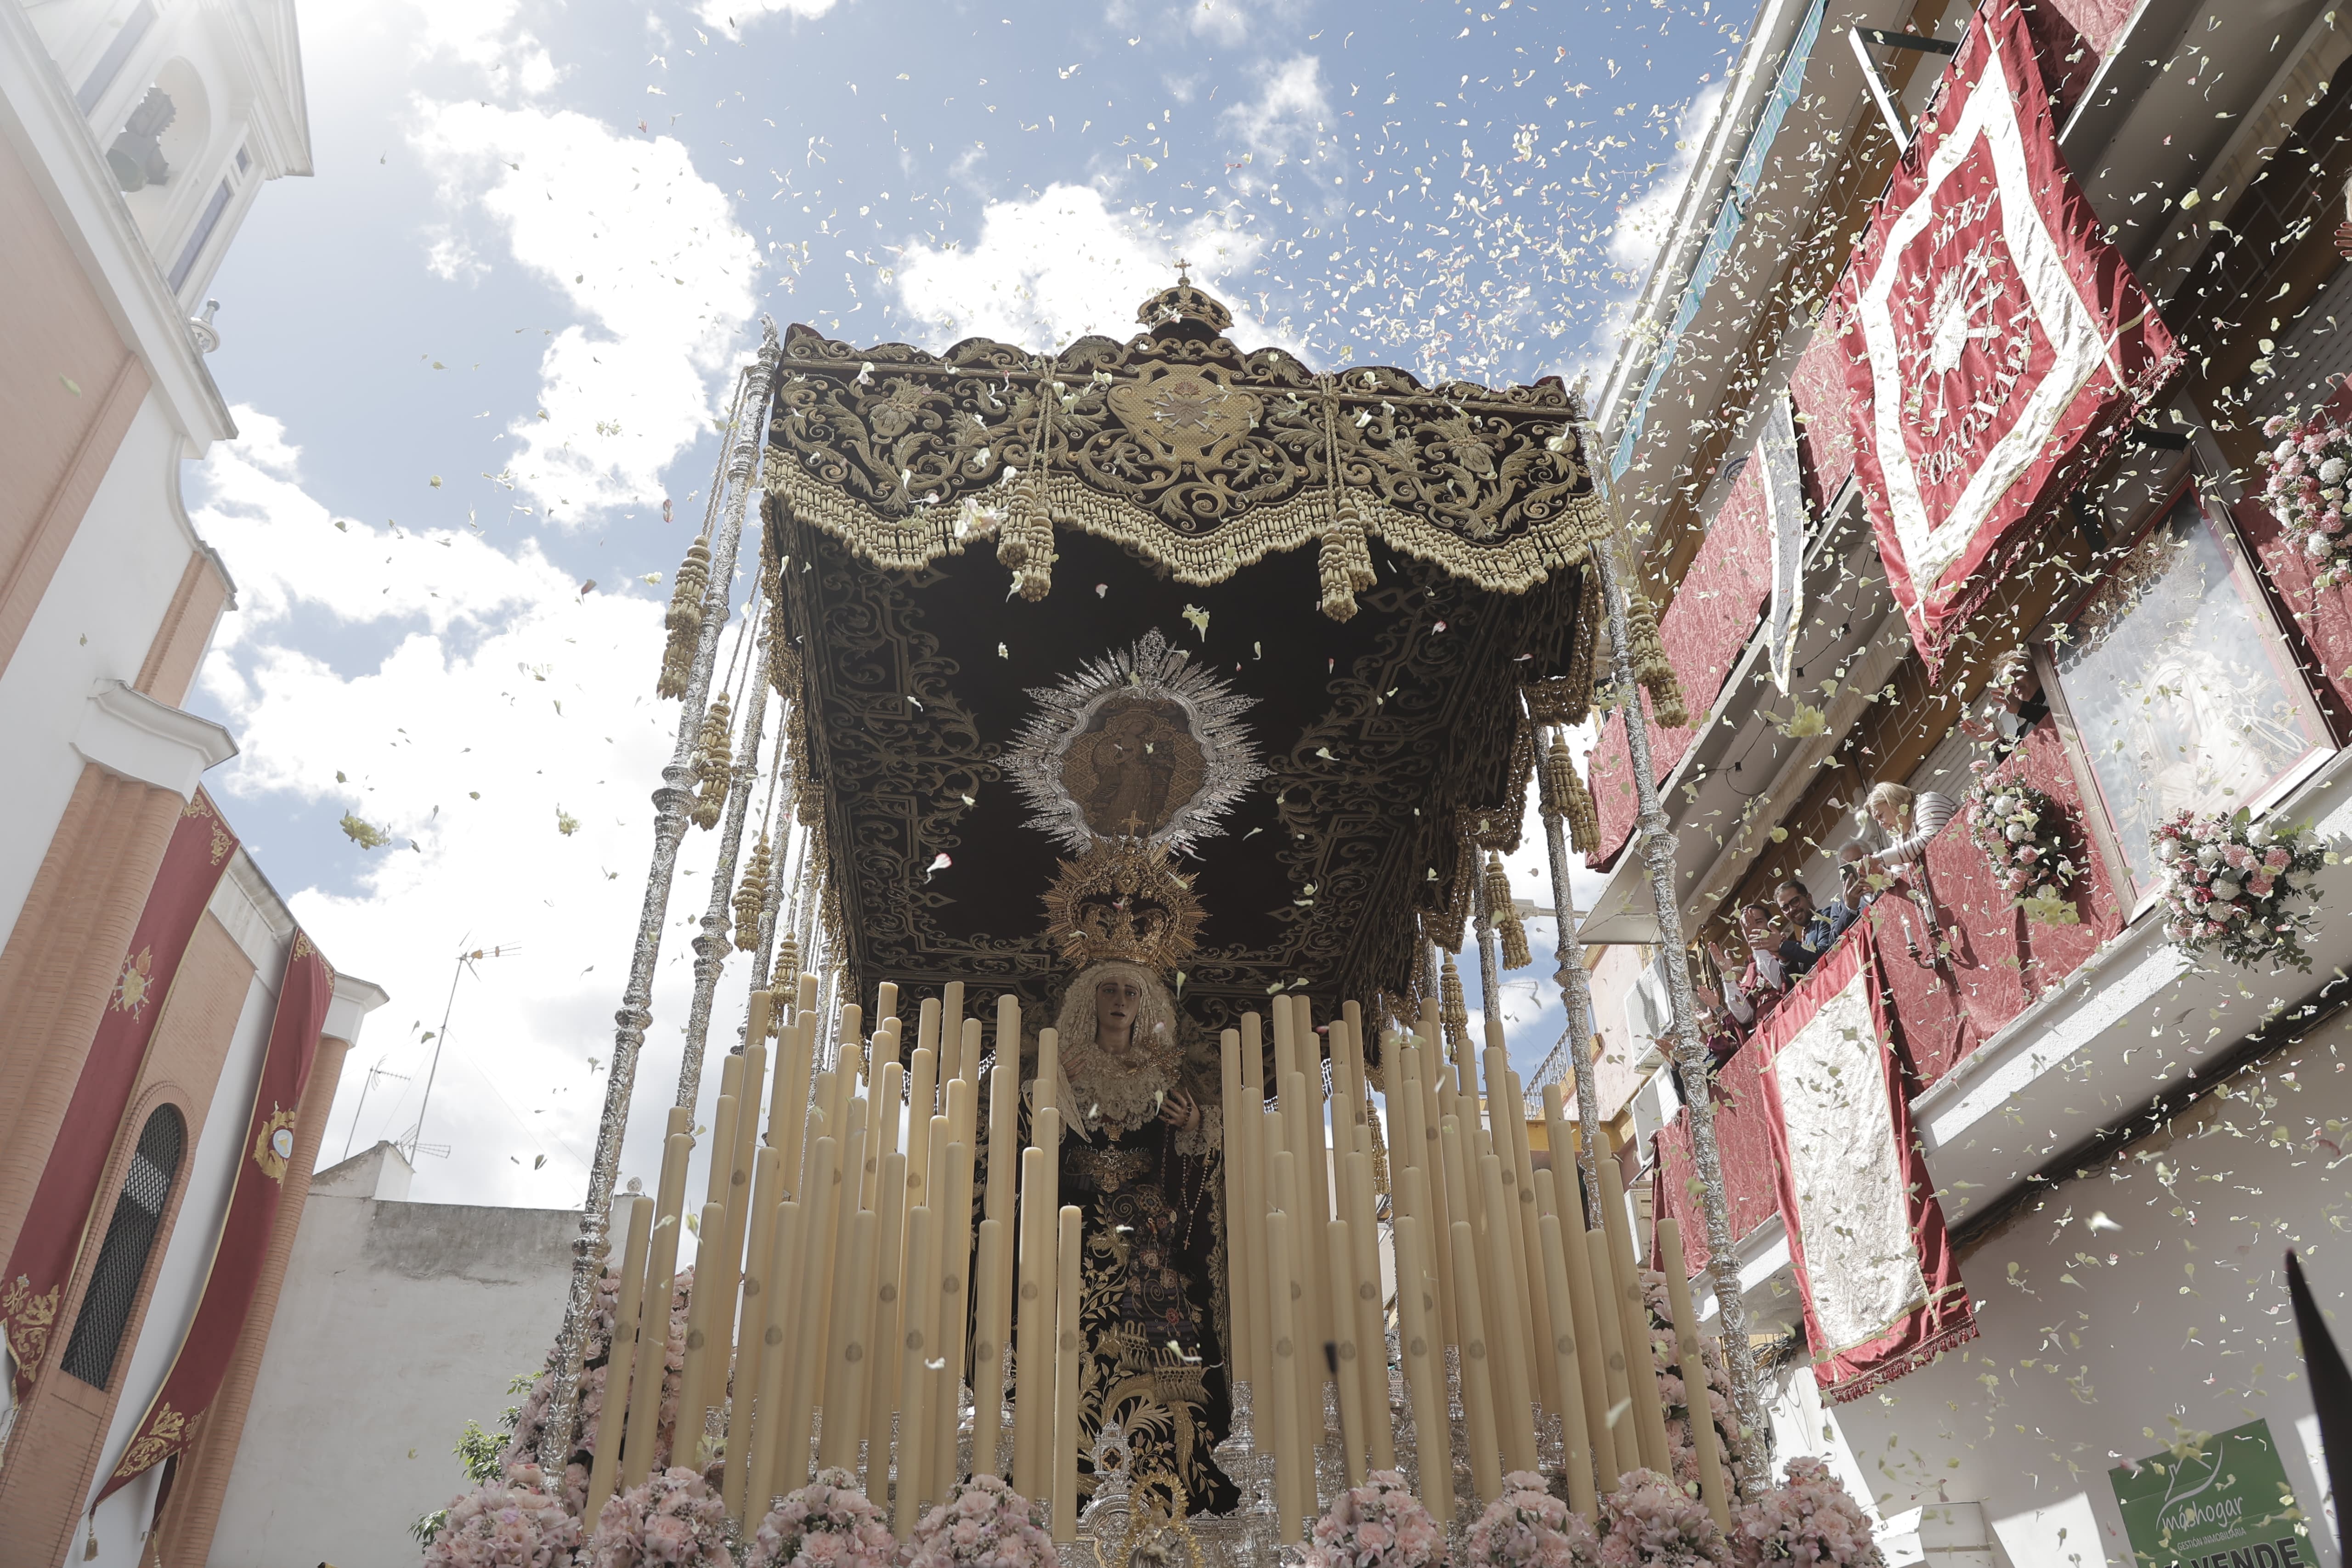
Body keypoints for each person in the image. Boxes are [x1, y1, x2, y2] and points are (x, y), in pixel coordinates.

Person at [990, 961, 1237, 1518]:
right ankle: (1058, 1476)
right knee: (1064, 1340)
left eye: (1131, 991)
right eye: (1108, 989)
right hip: (1071, 1236)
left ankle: (1157, 1483)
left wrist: (1195, 1124)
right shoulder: (1062, 1066)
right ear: (1088, 1000)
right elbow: (1025, 1143)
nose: (1119, 1000)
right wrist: (1050, 1087)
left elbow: (1190, 1173)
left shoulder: (1164, 1075)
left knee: (1157, 1356)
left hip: (1147, 1243)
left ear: (1145, 1004)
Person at [1705, 904, 1788, 1030]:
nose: (1752, 928)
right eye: (1747, 926)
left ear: (1771, 925)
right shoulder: (1751, 969)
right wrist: (1728, 976)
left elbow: (1779, 983)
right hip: (1765, 1037)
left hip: (1788, 1022)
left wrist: (1757, 946)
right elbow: (1745, 1017)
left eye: (1758, 922)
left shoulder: (1785, 950)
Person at [1773, 877, 1857, 979]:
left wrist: (1784, 946)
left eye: (1795, 901)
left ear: (1809, 898)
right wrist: (1786, 960)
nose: (1792, 909)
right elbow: (1802, 981)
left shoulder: (1826, 916)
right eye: (1785, 908)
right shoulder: (1806, 933)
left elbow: (1824, 954)